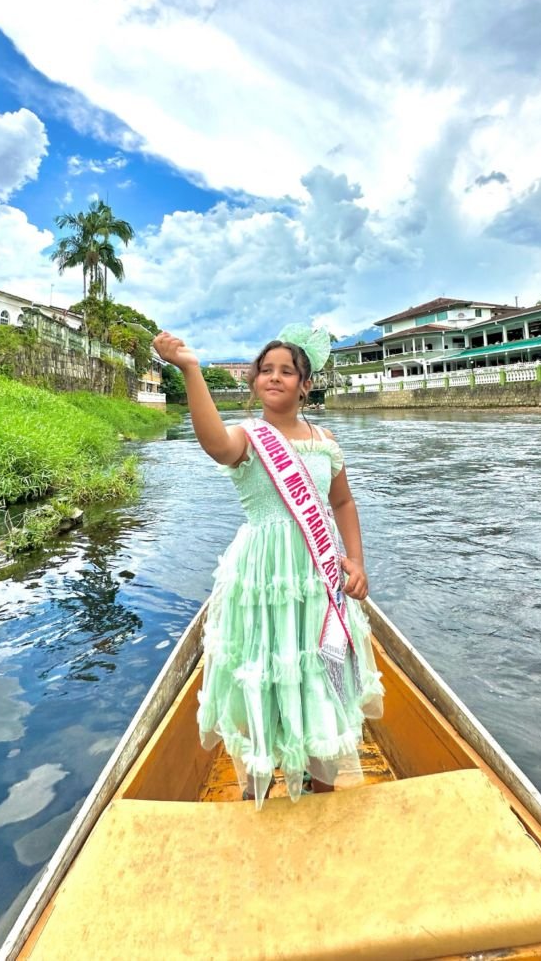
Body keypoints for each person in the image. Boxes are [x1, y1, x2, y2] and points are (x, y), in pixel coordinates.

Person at [152, 324, 384, 808]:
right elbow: (214, 443)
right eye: (265, 370)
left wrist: (356, 560)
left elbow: (342, 504)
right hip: (263, 578)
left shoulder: (325, 441)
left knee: (318, 673)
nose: (274, 377)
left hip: (317, 580)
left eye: (287, 371)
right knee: (260, 669)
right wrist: (191, 369)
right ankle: (255, 785)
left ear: (306, 384)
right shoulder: (246, 437)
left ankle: (321, 791)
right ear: (255, 382)